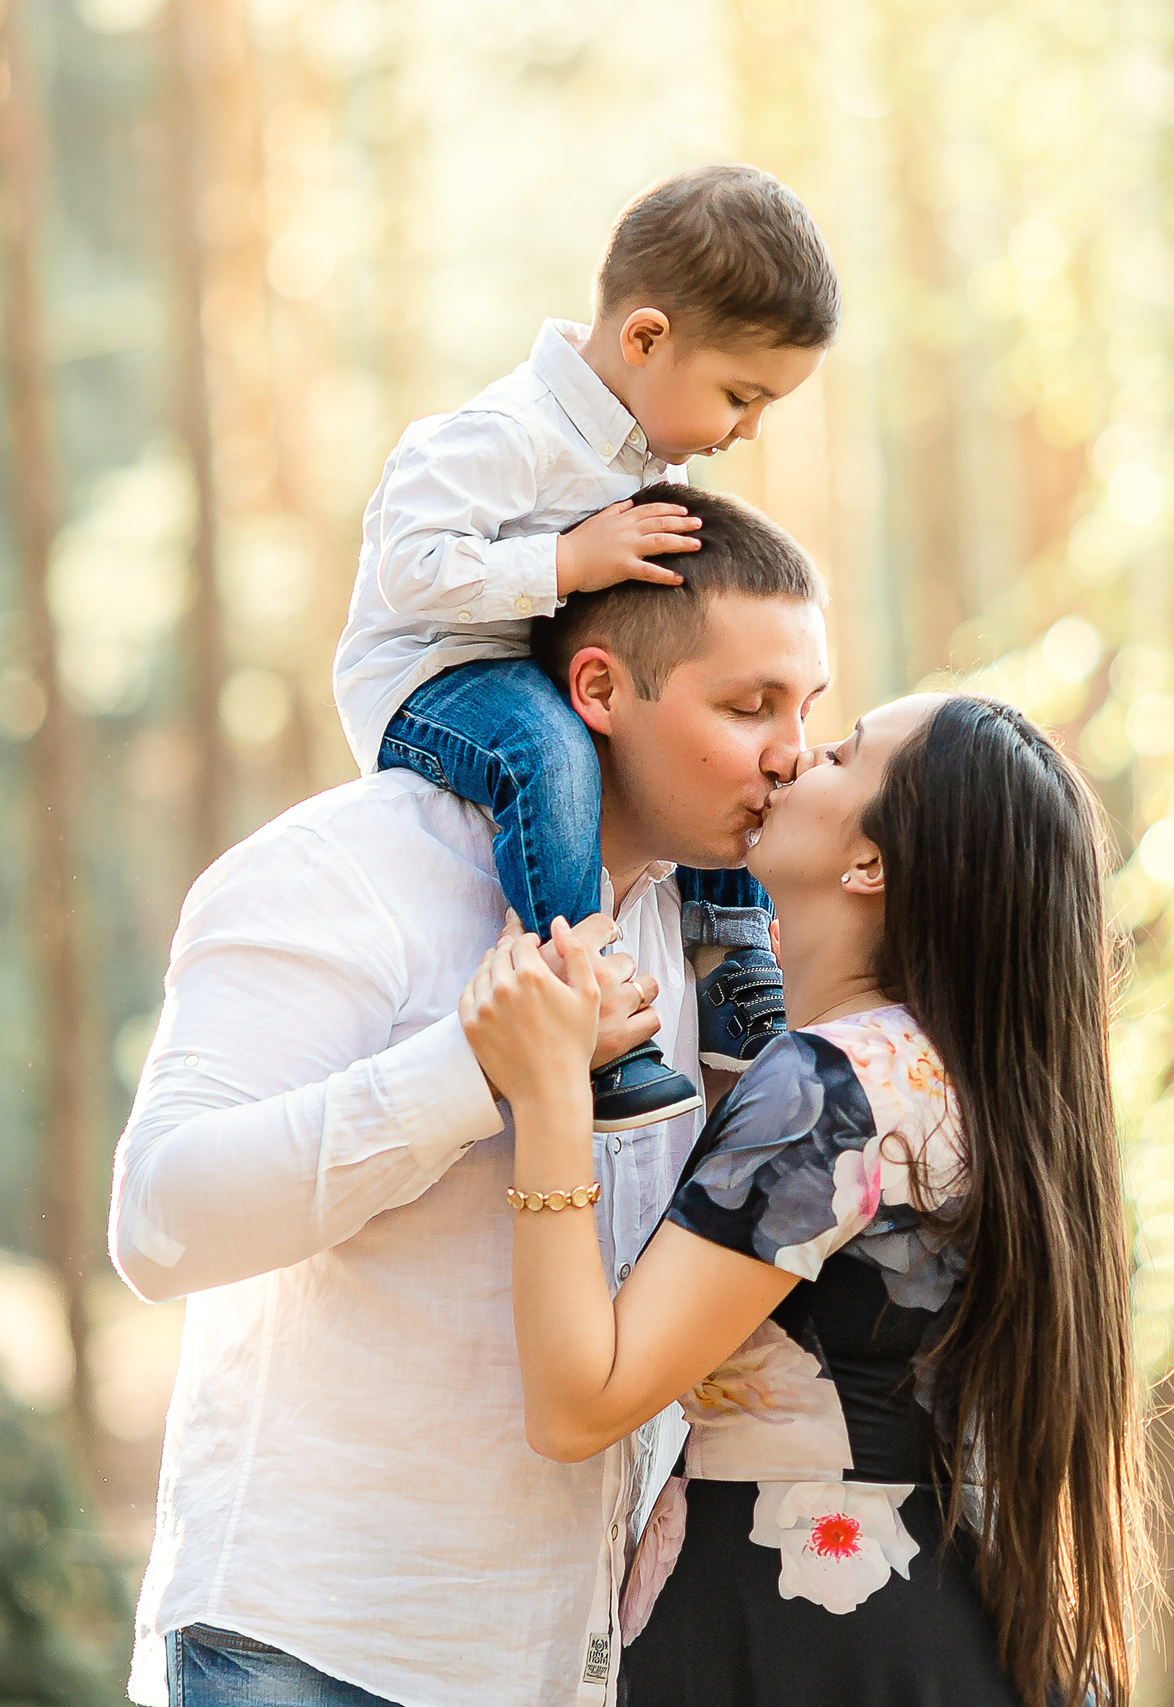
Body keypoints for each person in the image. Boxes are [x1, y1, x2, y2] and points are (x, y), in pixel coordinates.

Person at [107, 491, 830, 1707]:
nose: (790, 753)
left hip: (561, 1666)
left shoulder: (698, 936)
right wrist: (470, 1070)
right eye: (747, 707)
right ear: (598, 692)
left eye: (804, 709)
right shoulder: (347, 869)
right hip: (314, 1649)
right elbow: (158, 1224)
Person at [461, 694, 1151, 1707]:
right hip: (952, 1625)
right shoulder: (971, 1082)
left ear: (870, 864)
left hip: (789, 1632)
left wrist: (550, 1090)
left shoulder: (828, 1086)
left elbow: (577, 1405)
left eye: (838, 753)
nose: (790, 761)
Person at [335, 162, 842, 1134]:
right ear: (646, 338)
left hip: (538, 665)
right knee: (551, 751)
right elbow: (409, 568)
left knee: (709, 762)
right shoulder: (499, 433)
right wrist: (563, 561)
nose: (748, 429)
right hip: (432, 673)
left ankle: (733, 963)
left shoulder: (647, 443)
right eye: (742, 396)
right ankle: (586, 994)